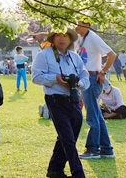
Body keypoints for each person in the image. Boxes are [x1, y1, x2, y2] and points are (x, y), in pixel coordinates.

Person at [32, 28, 90, 178]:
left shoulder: (74, 57)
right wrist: (55, 78)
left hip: (73, 98)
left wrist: (79, 84)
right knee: (68, 138)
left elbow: (85, 75)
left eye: (65, 36)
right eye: (58, 35)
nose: (62, 39)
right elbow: (36, 77)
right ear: (53, 38)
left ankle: (55, 170)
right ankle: (78, 173)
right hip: (55, 99)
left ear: (70, 39)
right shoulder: (44, 55)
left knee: (68, 136)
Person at [74, 20, 117, 160]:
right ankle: (106, 149)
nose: (77, 26)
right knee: (97, 115)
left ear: (87, 26)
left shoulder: (93, 37)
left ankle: (93, 149)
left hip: (93, 79)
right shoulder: (81, 38)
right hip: (87, 78)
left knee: (92, 116)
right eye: (77, 23)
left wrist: (103, 72)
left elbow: (112, 55)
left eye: (80, 24)